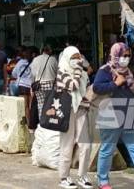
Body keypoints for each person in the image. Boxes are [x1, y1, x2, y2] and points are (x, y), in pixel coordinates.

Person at [93, 42, 134, 189]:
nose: (127, 58)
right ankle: (103, 181)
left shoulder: (129, 72)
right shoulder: (105, 70)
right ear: (115, 55)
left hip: (129, 113)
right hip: (111, 114)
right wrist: (115, 84)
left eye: (129, 55)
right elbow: (97, 87)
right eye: (124, 55)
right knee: (108, 148)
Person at [57, 46, 93, 189]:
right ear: (66, 58)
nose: (77, 60)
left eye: (79, 57)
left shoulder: (84, 74)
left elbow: (87, 90)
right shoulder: (62, 72)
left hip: (81, 110)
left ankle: (83, 175)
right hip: (67, 112)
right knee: (67, 145)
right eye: (74, 58)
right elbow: (73, 85)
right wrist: (79, 71)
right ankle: (64, 177)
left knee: (85, 145)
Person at [30, 45, 58, 116]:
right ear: (50, 51)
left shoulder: (35, 59)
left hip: (38, 85)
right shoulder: (53, 59)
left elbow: (32, 75)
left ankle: (42, 122)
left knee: (40, 105)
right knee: (51, 105)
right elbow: (58, 74)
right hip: (51, 84)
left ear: (41, 51)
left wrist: (31, 88)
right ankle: (50, 123)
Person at [11, 47, 32, 122]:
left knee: (24, 105)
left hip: (22, 85)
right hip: (31, 85)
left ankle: (26, 122)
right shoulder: (32, 62)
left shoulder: (19, 63)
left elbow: (14, 73)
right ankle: (31, 123)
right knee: (30, 106)